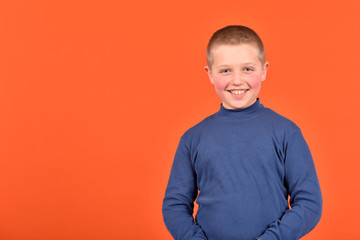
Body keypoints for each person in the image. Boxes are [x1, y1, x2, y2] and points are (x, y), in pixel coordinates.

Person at [162, 25, 322, 240]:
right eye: (225, 70)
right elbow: (174, 204)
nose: (237, 80)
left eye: (247, 69)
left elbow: (310, 202)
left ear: (264, 70)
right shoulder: (193, 138)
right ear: (210, 74)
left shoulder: (286, 132)